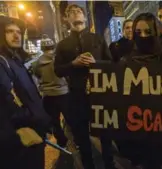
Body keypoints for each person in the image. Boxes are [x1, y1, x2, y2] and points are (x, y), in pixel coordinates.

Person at [54, 4, 116, 169]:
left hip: (99, 94)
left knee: (105, 133)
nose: (75, 14)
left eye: (79, 11)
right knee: (81, 136)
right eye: (71, 12)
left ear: (85, 17)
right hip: (77, 96)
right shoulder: (62, 45)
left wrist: (97, 63)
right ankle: (88, 165)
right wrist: (73, 64)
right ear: (66, 19)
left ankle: (109, 164)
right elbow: (58, 70)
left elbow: (111, 64)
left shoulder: (98, 39)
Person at [120, 13, 162, 169]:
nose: (143, 36)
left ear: (156, 32)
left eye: (148, 32)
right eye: (138, 32)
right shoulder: (127, 59)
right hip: (143, 135)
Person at [0, 16, 50, 169]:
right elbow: (7, 101)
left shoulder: (15, 60)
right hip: (20, 139)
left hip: (32, 133)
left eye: (19, 32)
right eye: (10, 31)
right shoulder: (3, 62)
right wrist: (30, 123)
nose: (16, 36)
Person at [32, 34, 68, 147]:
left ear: (42, 48)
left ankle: (62, 142)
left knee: (55, 121)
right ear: (54, 46)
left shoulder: (36, 63)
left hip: (48, 96)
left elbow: (37, 76)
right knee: (71, 119)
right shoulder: (60, 59)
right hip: (64, 93)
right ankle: (76, 141)